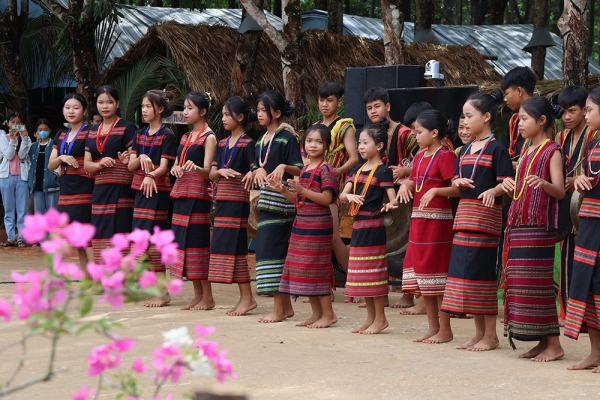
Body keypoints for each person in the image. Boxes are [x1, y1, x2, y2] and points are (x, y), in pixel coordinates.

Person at [440, 89, 513, 351]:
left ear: (487, 117)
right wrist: (456, 181)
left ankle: (491, 335)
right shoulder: (464, 150)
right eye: (464, 116)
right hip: (464, 219)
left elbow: (508, 183)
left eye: (470, 116)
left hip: (485, 220)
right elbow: (456, 184)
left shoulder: (497, 149)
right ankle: (478, 332)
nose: (466, 121)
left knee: (482, 273)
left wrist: (494, 190)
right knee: (465, 275)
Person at [501, 97, 565, 361]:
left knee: (537, 286)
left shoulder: (553, 151)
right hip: (520, 225)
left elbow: (560, 192)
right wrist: (508, 185)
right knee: (521, 284)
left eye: (525, 119)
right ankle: (542, 341)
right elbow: (522, 189)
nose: (520, 125)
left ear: (542, 121)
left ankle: (554, 345)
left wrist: (544, 183)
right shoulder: (525, 151)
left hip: (539, 227)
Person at [397, 110, 458, 343]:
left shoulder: (446, 156)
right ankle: (433, 327)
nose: (415, 135)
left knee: (437, 276)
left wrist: (435, 190)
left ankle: (446, 329)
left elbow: (456, 188)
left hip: (437, 223)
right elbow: (416, 180)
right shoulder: (421, 155)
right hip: (419, 221)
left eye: (419, 131)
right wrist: (405, 185)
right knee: (423, 276)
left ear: (434, 133)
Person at [274, 124, 339, 328]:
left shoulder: (326, 169)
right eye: (310, 141)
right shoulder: (304, 169)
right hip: (302, 224)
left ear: (327, 146)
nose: (313, 145)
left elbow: (326, 198)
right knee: (304, 268)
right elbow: (299, 199)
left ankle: (329, 314)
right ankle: (316, 313)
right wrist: (283, 191)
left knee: (316, 268)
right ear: (303, 144)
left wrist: (302, 189)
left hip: (318, 226)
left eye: (319, 141)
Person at [340, 119, 398, 334]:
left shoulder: (383, 172)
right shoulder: (357, 170)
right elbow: (342, 195)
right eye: (360, 143)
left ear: (380, 146)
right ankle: (370, 318)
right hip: (359, 227)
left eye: (365, 142)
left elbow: (393, 200)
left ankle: (380, 319)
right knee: (362, 272)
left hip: (373, 227)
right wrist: (348, 195)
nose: (361, 147)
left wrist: (389, 205)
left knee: (372, 272)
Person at [251, 90, 303, 323]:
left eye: (264, 110)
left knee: (274, 253)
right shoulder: (262, 140)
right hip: (266, 203)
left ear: (277, 113)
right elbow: (255, 165)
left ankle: (280, 308)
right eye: (259, 110)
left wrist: (284, 166)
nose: (260, 114)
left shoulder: (287, 136)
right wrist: (257, 170)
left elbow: (300, 167)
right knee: (265, 252)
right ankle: (283, 307)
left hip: (282, 203)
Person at [126, 90, 177, 307]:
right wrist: (142, 157)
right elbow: (130, 165)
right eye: (143, 106)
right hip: (140, 190)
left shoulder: (168, 135)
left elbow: (165, 168)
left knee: (150, 239)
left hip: (157, 191)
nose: (144, 110)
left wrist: (149, 174)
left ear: (161, 109)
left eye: (148, 106)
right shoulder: (139, 134)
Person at [208, 96, 257, 316]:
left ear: (240, 117)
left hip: (238, 200)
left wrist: (249, 173)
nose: (224, 118)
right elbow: (211, 173)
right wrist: (220, 172)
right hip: (223, 201)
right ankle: (245, 297)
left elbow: (254, 169)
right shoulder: (220, 143)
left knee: (237, 246)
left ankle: (247, 298)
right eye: (223, 114)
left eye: (228, 115)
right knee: (229, 247)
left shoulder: (248, 143)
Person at [169, 92, 217, 311]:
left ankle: (208, 296)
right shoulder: (186, 136)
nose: (185, 112)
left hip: (198, 195)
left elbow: (208, 172)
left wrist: (195, 168)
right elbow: (176, 166)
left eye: (190, 108)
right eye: (184, 108)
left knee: (197, 243)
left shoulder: (209, 136)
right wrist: (175, 168)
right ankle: (197, 295)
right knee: (184, 244)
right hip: (181, 193)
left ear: (203, 111)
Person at [556, 86, 599, 322]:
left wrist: (577, 179)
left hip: (587, 205)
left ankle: (583, 314)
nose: (567, 117)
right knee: (566, 260)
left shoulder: (595, 136)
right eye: (563, 112)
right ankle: (567, 311)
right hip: (566, 206)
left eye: (572, 111)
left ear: (584, 110)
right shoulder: (560, 137)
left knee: (584, 262)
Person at [565, 87, 600, 372]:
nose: (585, 115)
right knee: (587, 283)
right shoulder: (592, 144)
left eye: (589, 109)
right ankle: (595, 353)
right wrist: (578, 180)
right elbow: (585, 176)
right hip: (588, 223)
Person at [84, 85, 137, 263]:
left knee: (120, 229)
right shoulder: (92, 131)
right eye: (100, 102)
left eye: (109, 102)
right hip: (100, 189)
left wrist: (125, 160)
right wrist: (99, 164)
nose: (104, 106)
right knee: (100, 230)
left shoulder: (127, 127)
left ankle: (122, 279)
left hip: (122, 189)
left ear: (117, 103)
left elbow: (134, 161)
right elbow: (87, 165)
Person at [314, 81, 358, 278]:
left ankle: (354, 280)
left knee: (333, 238)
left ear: (339, 102)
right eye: (322, 100)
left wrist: (336, 172)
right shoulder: (315, 127)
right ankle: (325, 286)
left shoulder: (344, 126)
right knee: (318, 237)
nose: (325, 104)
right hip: (314, 184)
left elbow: (354, 157)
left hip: (332, 186)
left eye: (329, 100)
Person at [48, 93, 94, 271]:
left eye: (76, 107)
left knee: (86, 235)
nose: (71, 111)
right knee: (77, 239)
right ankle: (87, 278)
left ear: (84, 110)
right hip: (66, 189)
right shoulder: (60, 134)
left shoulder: (90, 131)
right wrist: (62, 157)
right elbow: (51, 165)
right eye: (68, 107)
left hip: (85, 186)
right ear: (63, 110)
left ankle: (97, 280)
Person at [0, 112, 31, 248]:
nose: (16, 125)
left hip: (22, 177)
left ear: (22, 125)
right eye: (13, 122)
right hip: (6, 177)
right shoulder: (2, 138)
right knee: (9, 208)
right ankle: (11, 237)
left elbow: (23, 155)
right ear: (7, 124)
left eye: (19, 123)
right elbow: (9, 155)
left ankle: (21, 238)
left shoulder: (27, 139)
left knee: (22, 209)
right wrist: (12, 140)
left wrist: (24, 139)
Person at [500, 66, 537, 166]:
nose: (505, 99)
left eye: (507, 94)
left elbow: (543, 158)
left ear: (519, 91)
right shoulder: (514, 120)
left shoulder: (540, 118)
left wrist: (513, 165)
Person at [28, 119, 60, 216]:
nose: (42, 131)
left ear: (50, 130)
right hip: (37, 186)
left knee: (52, 215)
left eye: (45, 129)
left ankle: (52, 232)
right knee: (39, 216)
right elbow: (29, 163)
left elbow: (59, 161)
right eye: (40, 129)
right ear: (36, 131)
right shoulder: (33, 146)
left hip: (51, 185)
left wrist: (54, 175)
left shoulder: (55, 145)